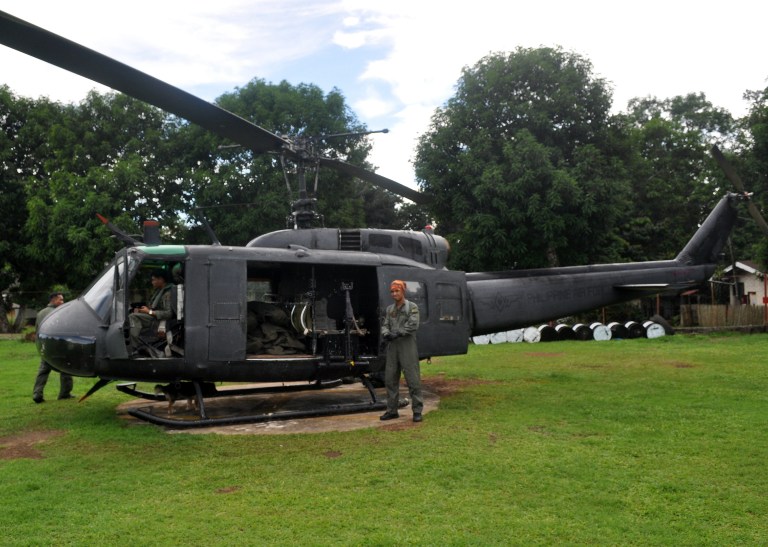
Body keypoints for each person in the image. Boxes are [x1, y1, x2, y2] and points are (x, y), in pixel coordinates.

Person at [380, 280, 423, 422]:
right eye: (392, 291)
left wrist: (397, 333)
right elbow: (385, 324)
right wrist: (386, 333)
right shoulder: (390, 309)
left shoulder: (412, 307)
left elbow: (413, 325)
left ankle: (417, 411)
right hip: (393, 348)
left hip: (407, 346)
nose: (394, 294)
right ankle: (392, 410)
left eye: (397, 291)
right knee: (390, 379)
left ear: (403, 291)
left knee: (412, 379)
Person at [33, 292, 73, 403]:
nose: (63, 302)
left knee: (43, 371)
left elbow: (37, 330)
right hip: (58, 346)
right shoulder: (58, 312)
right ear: (54, 300)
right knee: (66, 369)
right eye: (61, 300)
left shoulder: (40, 313)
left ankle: (37, 394)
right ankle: (65, 393)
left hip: (45, 347)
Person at [128, 269, 174, 355]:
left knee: (133, 317)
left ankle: (136, 347)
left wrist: (148, 312)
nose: (152, 282)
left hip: (159, 321)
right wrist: (144, 311)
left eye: (154, 279)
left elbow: (168, 313)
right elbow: (153, 307)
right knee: (133, 314)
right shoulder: (159, 291)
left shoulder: (168, 293)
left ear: (161, 279)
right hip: (154, 317)